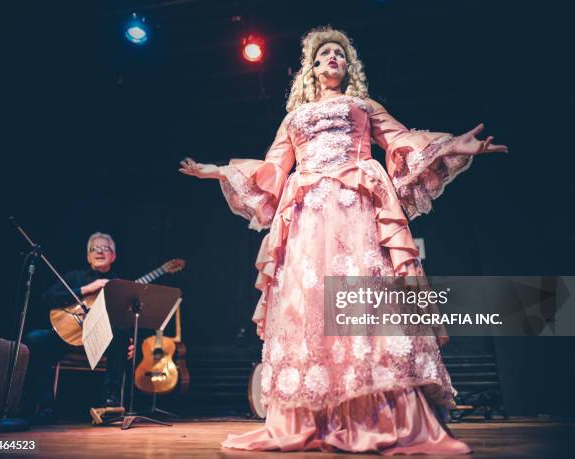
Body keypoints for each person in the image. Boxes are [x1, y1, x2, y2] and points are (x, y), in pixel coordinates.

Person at [180, 26, 507, 454]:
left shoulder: (362, 105)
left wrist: (452, 146)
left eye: (340, 53)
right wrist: (218, 171)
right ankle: (313, 412)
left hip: (355, 208)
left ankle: (380, 411)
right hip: (308, 216)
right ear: (312, 68)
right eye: (325, 54)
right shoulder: (293, 118)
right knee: (310, 305)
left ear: (347, 67)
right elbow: (273, 170)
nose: (333, 57)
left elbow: (401, 141)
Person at [24, 232, 128, 423]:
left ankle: (110, 401)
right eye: (94, 248)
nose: (99, 251)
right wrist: (86, 289)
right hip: (67, 337)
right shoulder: (74, 277)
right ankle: (45, 405)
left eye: (105, 248)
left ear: (113, 256)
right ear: (88, 256)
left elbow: (126, 318)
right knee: (35, 338)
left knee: (121, 334)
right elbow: (46, 298)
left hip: (99, 342)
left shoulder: (120, 286)